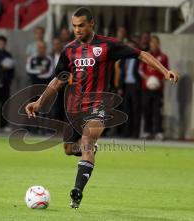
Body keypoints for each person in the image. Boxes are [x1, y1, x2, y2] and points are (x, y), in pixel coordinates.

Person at [25, 7, 178, 209]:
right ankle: (88, 154)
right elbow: (58, 80)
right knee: (70, 150)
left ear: (91, 24)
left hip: (99, 105)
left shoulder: (108, 45)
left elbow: (141, 54)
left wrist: (165, 71)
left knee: (87, 140)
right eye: (74, 26)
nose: (77, 30)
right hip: (75, 108)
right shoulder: (69, 50)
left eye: (81, 26)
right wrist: (39, 102)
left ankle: (77, 192)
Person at [139, 35, 169, 140]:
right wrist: (147, 78)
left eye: (156, 42)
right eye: (152, 42)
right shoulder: (145, 55)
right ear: (150, 44)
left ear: (158, 44)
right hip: (146, 88)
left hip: (158, 89)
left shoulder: (163, 57)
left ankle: (158, 131)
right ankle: (147, 131)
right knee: (147, 110)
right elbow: (140, 70)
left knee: (157, 110)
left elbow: (166, 71)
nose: (154, 44)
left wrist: (159, 81)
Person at [119, 40, 142, 138]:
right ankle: (126, 132)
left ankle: (135, 133)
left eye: (132, 47)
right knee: (126, 110)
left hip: (135, 87)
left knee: (136, 110)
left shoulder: (139, 58)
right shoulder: (124, 59)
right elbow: (121, 74)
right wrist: (120, 87)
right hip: (126, 87)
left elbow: (141, 73)